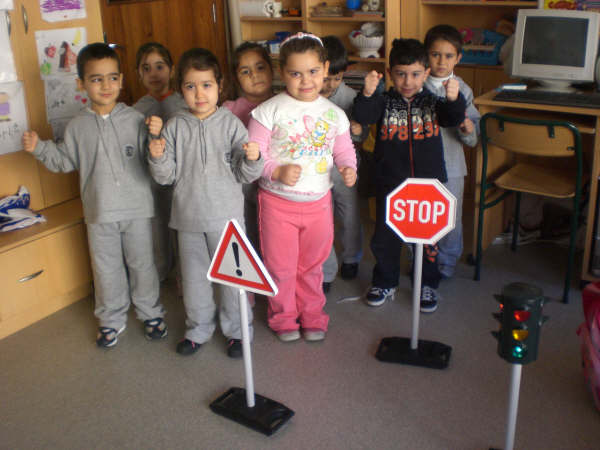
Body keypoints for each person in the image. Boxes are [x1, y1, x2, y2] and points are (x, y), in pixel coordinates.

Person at [21, 43, 167, 348]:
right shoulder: (77, 127)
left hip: (137, 209)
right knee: (106, 270)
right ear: (81, 84)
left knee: (143, 265)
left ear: (122, 80)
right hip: (99, 213)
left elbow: (152, 159)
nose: (106, 85)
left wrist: (155, 135)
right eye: (96, 79)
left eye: (112, 78)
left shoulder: (135, 119)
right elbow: (64, 161)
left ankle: (151, 313)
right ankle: (111, 319)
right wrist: (40, 149)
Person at [148, 48, 264, 358]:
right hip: (187, 220)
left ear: (219, 85)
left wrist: (254, 159)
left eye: (206, 85)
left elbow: (245, 174)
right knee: (194, 281)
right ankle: (198, 329)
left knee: (233, 280)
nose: (199, 94)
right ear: (180, 89)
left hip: (227, 220)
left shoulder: (231, 124)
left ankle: (238, 332)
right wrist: (157, 156)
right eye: (190, 86)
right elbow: (165, 177)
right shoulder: (174, 126)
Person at [247, 33, 357, 342]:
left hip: (318, 204)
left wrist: (349, 167)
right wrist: (276, 171)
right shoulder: (268, 110)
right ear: (282, 73)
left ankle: (312, 315)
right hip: (277, 203)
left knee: (312, 266)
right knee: (280, 267)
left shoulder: (334, 114)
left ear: (325, 69)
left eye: (313, 71)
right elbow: (255, 155)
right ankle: (283, 317)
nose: (305, 80)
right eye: (295, 73)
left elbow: (344, 150)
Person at [353, 38, 466, 313]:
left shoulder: (433, 102)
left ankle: (427, 282)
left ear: (426, 73)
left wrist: (454, 99)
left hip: (428, 185)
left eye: (415, 74)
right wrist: (367, 93)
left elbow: (452, 118)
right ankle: (385, 281)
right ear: (390, 73)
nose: (408, 81)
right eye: (401, 74)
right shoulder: (383, 102)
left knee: (427, 239)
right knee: (386, 237)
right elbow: (364, 116)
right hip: (390, 183)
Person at [424, 25, 480, 279]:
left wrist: (467, 128)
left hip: (452, 166)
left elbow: (472, 138)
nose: (441, 62)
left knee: (450, 217)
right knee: (421, 213)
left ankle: (446, 263)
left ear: (458, 58)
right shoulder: (416, 84)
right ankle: (420, 260)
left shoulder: (463, 90)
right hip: (420, 165)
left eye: (448, 56)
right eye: (435, 54)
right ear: (426, 55)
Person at [133, 42, 187, 282]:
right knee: (158, 234)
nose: (153, 73)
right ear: (138, 74)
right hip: (151, 186)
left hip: (181, 182)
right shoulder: (136, 111)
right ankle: (161, 276)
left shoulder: (184, 103)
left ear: (172, 70)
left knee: (183, 234)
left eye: (159, 66)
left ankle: (184, 280)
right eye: (146, 68)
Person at [319, 35, 364, 293]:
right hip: (316, 169)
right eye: (325, 78)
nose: (330, 84)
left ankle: (351, 258)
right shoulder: (306, 96)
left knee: (349, 215)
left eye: (336, 78)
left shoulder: (349, 96)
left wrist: (358, 130)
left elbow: (361, 136)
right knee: (321, 220)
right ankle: (326, 269)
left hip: (344, 168)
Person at [223, 42, 274, 249]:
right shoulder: (229, 110)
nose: (254, 75)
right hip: (243, 188)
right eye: (245, 71)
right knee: (249, 234)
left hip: (275, 183)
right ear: (236, 78)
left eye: (260, 67)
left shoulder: (284, 104)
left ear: (272, 70)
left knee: (273, 236)